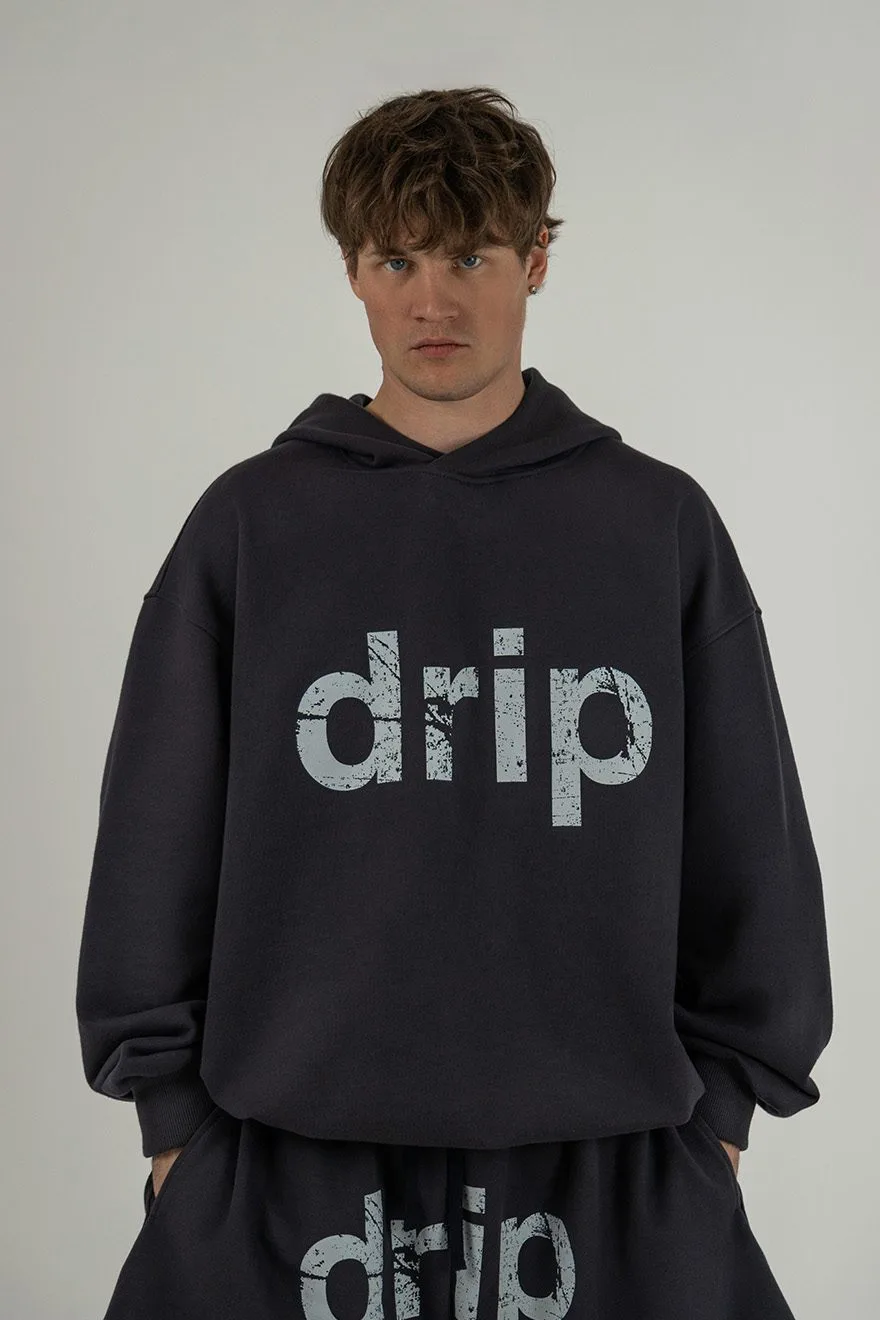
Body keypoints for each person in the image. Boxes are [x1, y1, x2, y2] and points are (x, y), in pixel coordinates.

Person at [76, 86, 833, 1319]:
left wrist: (726, 1113)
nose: (433, 301)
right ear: (353, 273)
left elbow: (750, 838)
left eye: (471, 256)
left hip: (613, 1180)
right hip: (285, 1184)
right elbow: (153, 839)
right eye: (398, 260)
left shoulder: (655, 525)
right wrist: (172, 1127)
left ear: (535, 261)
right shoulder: (251, 526)